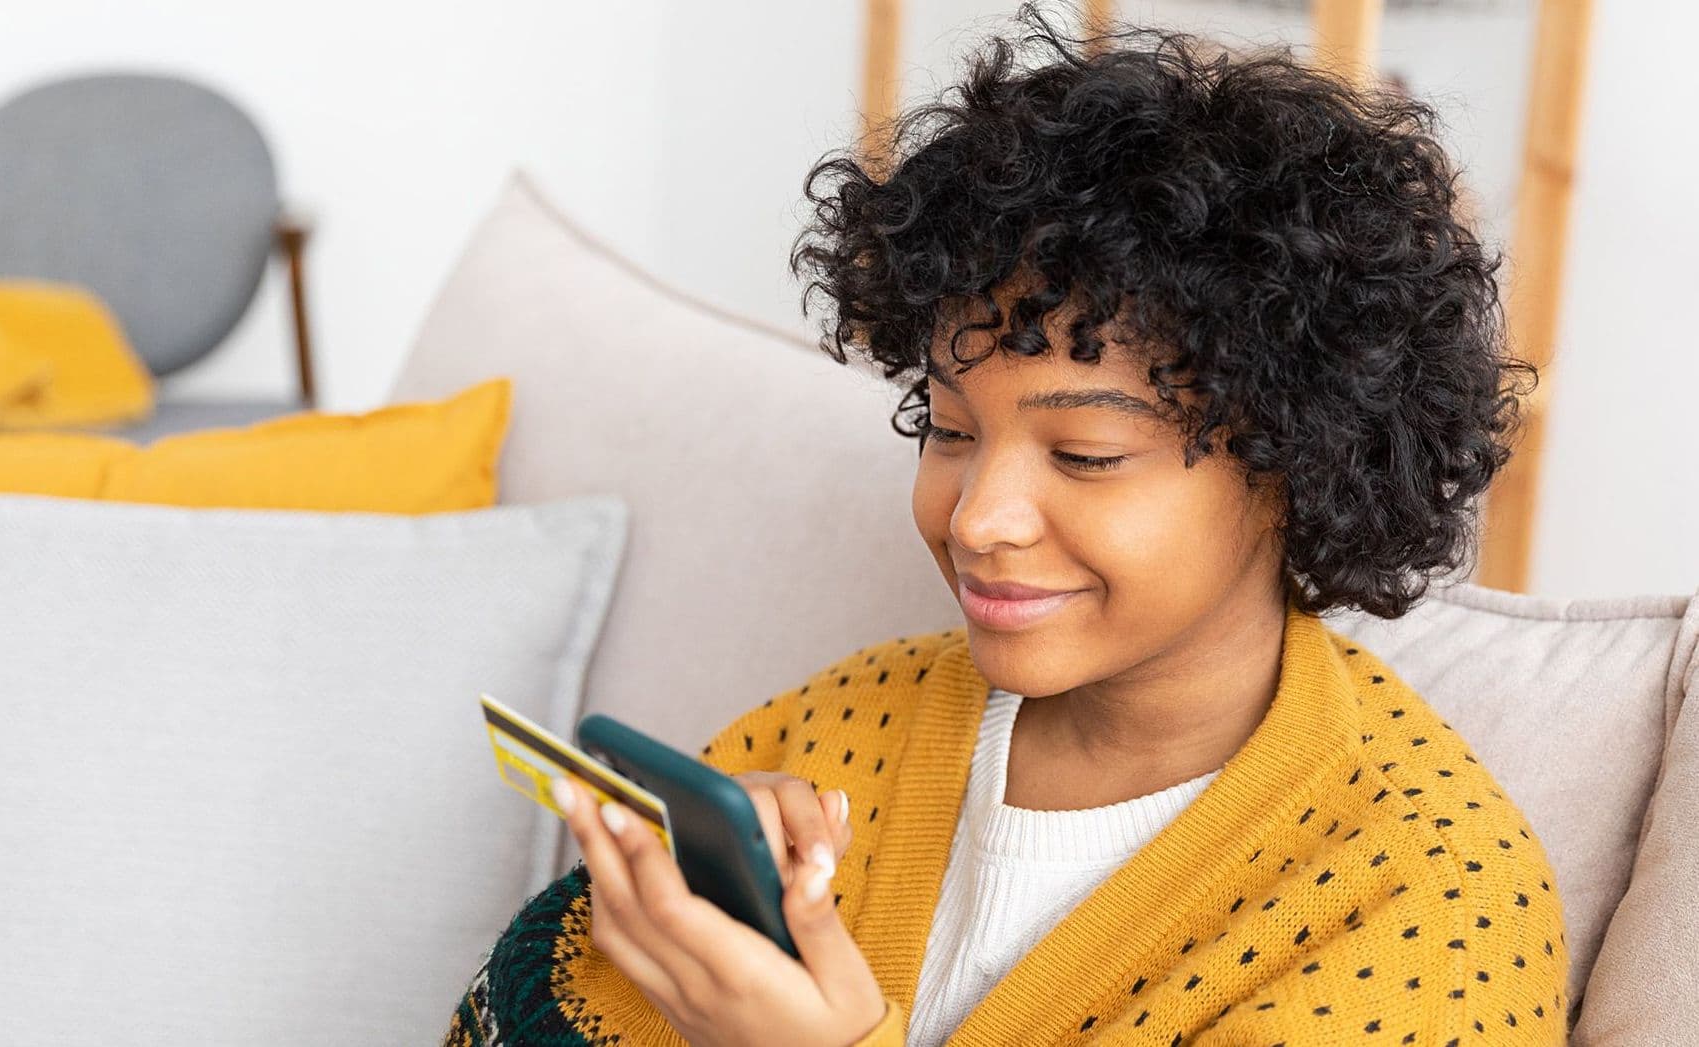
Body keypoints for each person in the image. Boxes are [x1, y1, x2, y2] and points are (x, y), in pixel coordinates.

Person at [443, 5, 1570, 1044]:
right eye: (948, 430)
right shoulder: (842, 724)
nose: (977, 519)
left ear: (1297, 463)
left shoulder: (1429, 904)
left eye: (1086, 455)